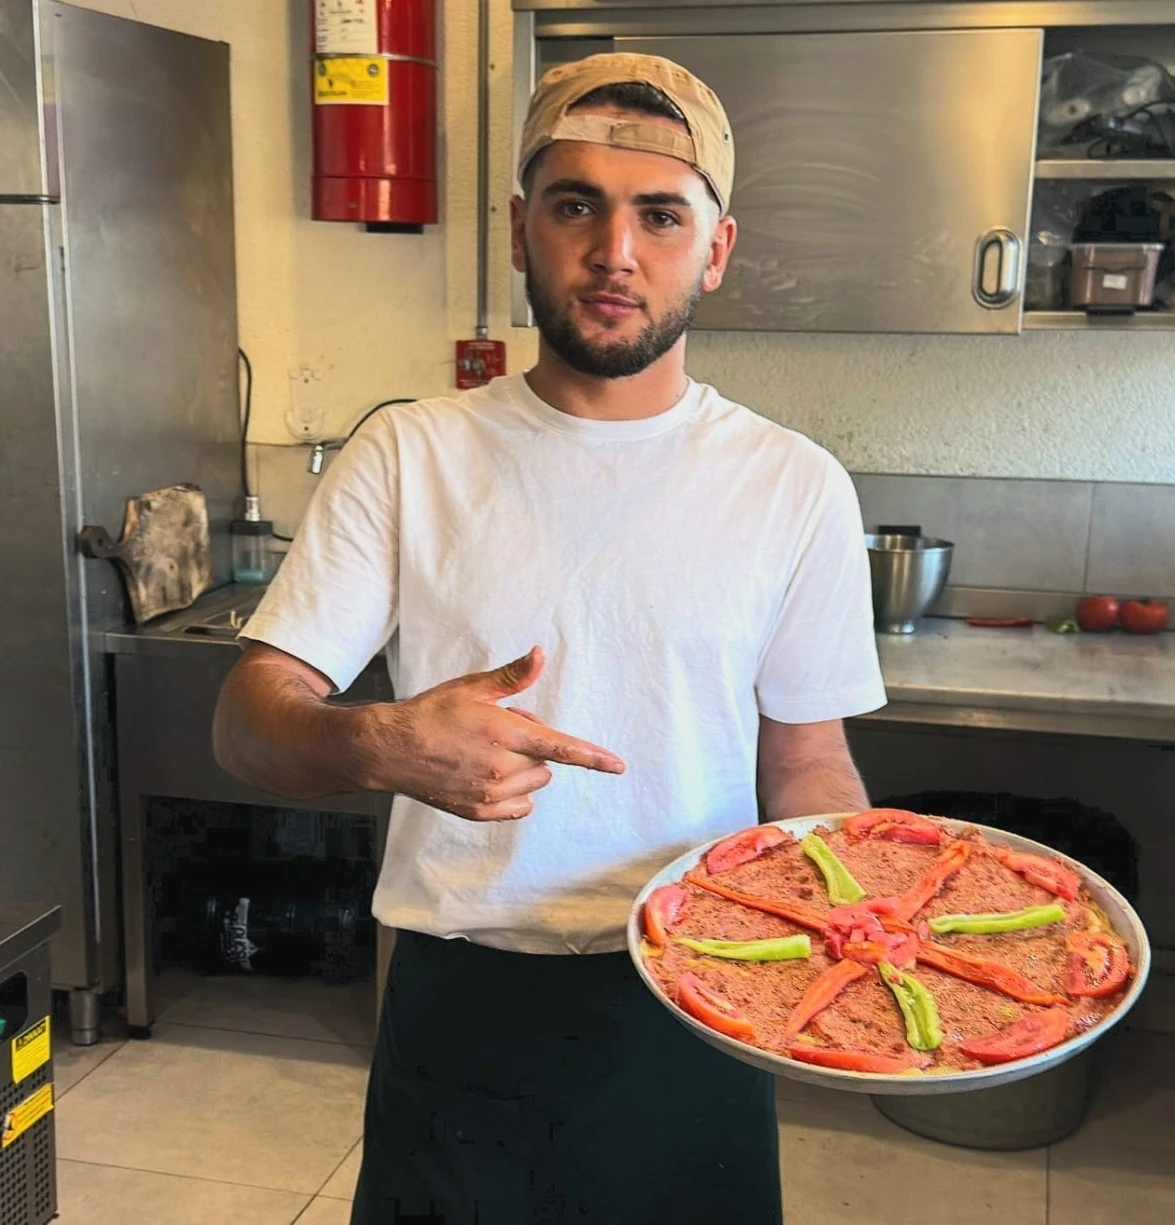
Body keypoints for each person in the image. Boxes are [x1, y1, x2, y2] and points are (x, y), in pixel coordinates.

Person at [213, 52, 886, 1225]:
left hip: (704, 995)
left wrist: (866, 918)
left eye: (660, 215)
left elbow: (806, 763)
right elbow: (244, 724)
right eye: (576, 205)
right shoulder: (410, 454)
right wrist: (378, 742)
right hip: (461, 1007)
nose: (614, 251)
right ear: (520, 230)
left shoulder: (791, 485)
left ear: (715, 249)